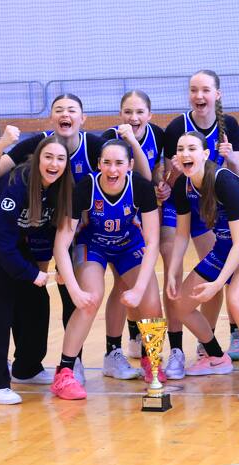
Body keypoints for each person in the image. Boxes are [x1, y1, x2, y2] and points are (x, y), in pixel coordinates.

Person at [0, 93, 149, 384]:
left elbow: (142, 181)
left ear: (83, 118)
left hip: (82, 232)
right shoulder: (38, 145)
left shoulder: (95, 146)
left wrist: (132, 142)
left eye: (71, 110)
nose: (65, 114)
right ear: (51, 118)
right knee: (32, 293)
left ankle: (82, 360)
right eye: (59, 110)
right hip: (40, 229)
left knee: (83, 292)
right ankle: (33, 363)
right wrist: (2, 143)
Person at [165, 131, 239, 402]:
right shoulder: (182, 187)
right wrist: (171, 271)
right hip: (224, 247)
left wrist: (218, 284)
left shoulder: (224, 180)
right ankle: (216, 357)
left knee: (237, 300)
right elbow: (181, 235)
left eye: (192, 148)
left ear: (205, 154)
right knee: (180, 304)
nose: (185, 153)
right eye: (181, 149)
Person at [0, 135, 73, 404]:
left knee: (36, 299)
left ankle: (27, 367)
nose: (54, 164)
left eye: (60, 159)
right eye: (48, 157)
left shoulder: (61, 188)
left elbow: (54, 231)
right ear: (37, 159)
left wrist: (55, 268)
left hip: (11, 242)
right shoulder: (18, 182)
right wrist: (31, 273)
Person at [50, 139, 163, 400]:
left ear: (130, 165)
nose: (113, 169)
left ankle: (151, 361)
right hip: (94, 245)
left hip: (129, 244)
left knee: (151, 303)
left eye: (119, 163)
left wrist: (139, 289)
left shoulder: (141, 187)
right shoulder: (86, 187)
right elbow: (61, 244)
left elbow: (153, 242)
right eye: (107, 163)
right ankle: (64, 372)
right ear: (99, 164)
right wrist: (74, 289)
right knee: (90, 299)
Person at [162, 70, 239, 365]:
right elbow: (168, 182)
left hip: (213, 209)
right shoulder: (176, 127)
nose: (199, 95)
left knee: (215, 274)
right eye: (194, 90)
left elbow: (238, 177)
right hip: (184, 203)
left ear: (217, 95)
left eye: (205, 90)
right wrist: (171, 175)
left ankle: (208, 342)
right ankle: (175, 349)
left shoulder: (229, 126)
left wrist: (232, 158)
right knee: (172, 266)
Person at [99, 90, 169, 377]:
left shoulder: (158, 135)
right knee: (121, 283)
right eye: (128, 111)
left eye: (139, 112)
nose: (133, 117)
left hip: (145, 214)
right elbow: (135, 176)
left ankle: (150, 356)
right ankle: (115, 349)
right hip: (114, 219)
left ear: (149, 115)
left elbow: (151, 174)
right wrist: (128, 140)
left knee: (142, 287)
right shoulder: (110, 139)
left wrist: (163, 183)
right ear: (120, 114)